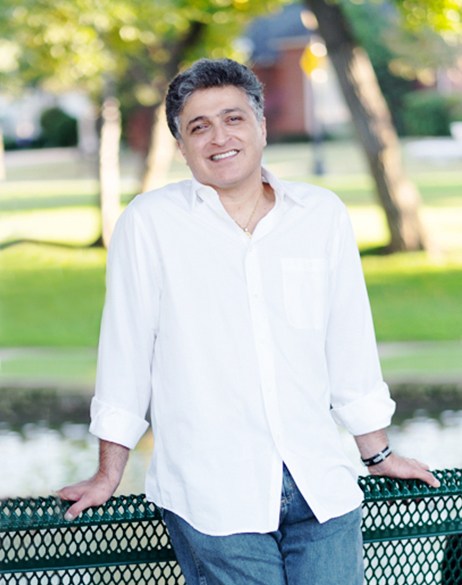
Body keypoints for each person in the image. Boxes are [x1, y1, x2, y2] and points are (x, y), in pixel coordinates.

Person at [58, 58, 440, 585]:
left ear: (261, 127)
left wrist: (377, 453)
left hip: (321, 488)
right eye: (199, 127)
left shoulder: (320, 215)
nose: (219, 137)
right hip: (214, 498)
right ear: (181, 146)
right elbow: (125, 355)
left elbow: (348, 342)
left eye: (233, 119)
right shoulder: (149, 225)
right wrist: (108, 473)